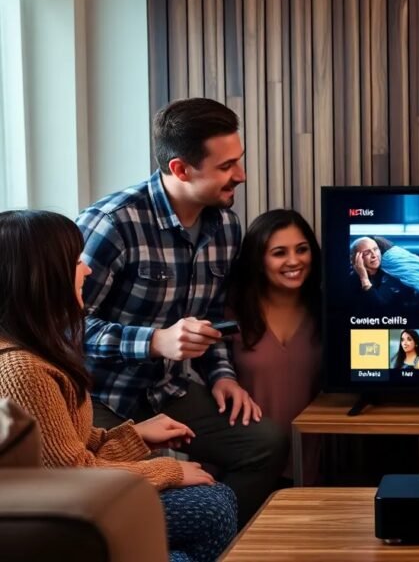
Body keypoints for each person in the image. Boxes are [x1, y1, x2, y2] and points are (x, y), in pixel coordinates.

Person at [76, 98, 289, 526]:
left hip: (167, 390)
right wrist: (155, 342)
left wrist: (223, 376)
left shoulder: (226, 227)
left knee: (266, 443)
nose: (241, 175)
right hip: (98, 397)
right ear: (181, 169)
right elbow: (64, 329)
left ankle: (220, 540)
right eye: (227, 166)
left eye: (239, 160)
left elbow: (212, 319)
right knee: (121, 494)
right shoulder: (111, 223)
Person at [0, 210, 237, 562]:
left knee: (215, 502)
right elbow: (71, 475)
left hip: (72, 499)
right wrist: (169, 471)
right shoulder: (22, 370)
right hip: (64, 518)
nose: (87, 270)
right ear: (42, 277)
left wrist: (135, 436)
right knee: (212, 507)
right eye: (76, 262)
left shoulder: (38, 350)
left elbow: (69, 448)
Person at [227, 209, 322, 486]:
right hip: (242, 464)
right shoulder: (231, 311)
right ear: (258, 261)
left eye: (302, 249)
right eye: (279, 253)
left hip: (307, 466)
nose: (294, 261)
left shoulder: (326, 311)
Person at [348, 236, 419, 313]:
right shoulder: (352, 279)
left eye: (376, 249)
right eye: (366, 253)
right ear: (356, 258)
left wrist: (364, 279)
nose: (374, 255)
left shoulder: (391, 278)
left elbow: (379, 308)